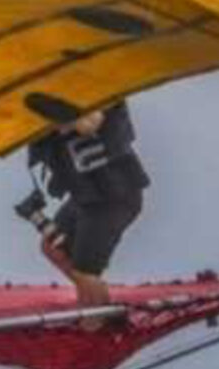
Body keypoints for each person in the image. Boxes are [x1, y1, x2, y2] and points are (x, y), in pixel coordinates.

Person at [17, 99, 150, 323]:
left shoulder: (99, 93)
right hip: (86, 196)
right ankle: (96, 305)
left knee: (85, 271)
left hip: (114, 195)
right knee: (52, 247)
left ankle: (99, 322)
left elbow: (90, 124)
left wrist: (57, 117)